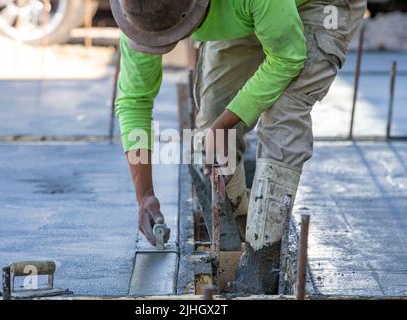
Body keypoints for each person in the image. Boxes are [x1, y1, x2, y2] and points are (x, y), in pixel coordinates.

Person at [111, 0, 366, 294]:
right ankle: (237, 237)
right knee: (211, 126)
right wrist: (144, 196)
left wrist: (223, 126)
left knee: (283, 118)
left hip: (321, 6)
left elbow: (287, 59)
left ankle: (261, 265)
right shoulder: (141, 14)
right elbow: (134, 100)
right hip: (254, 10)